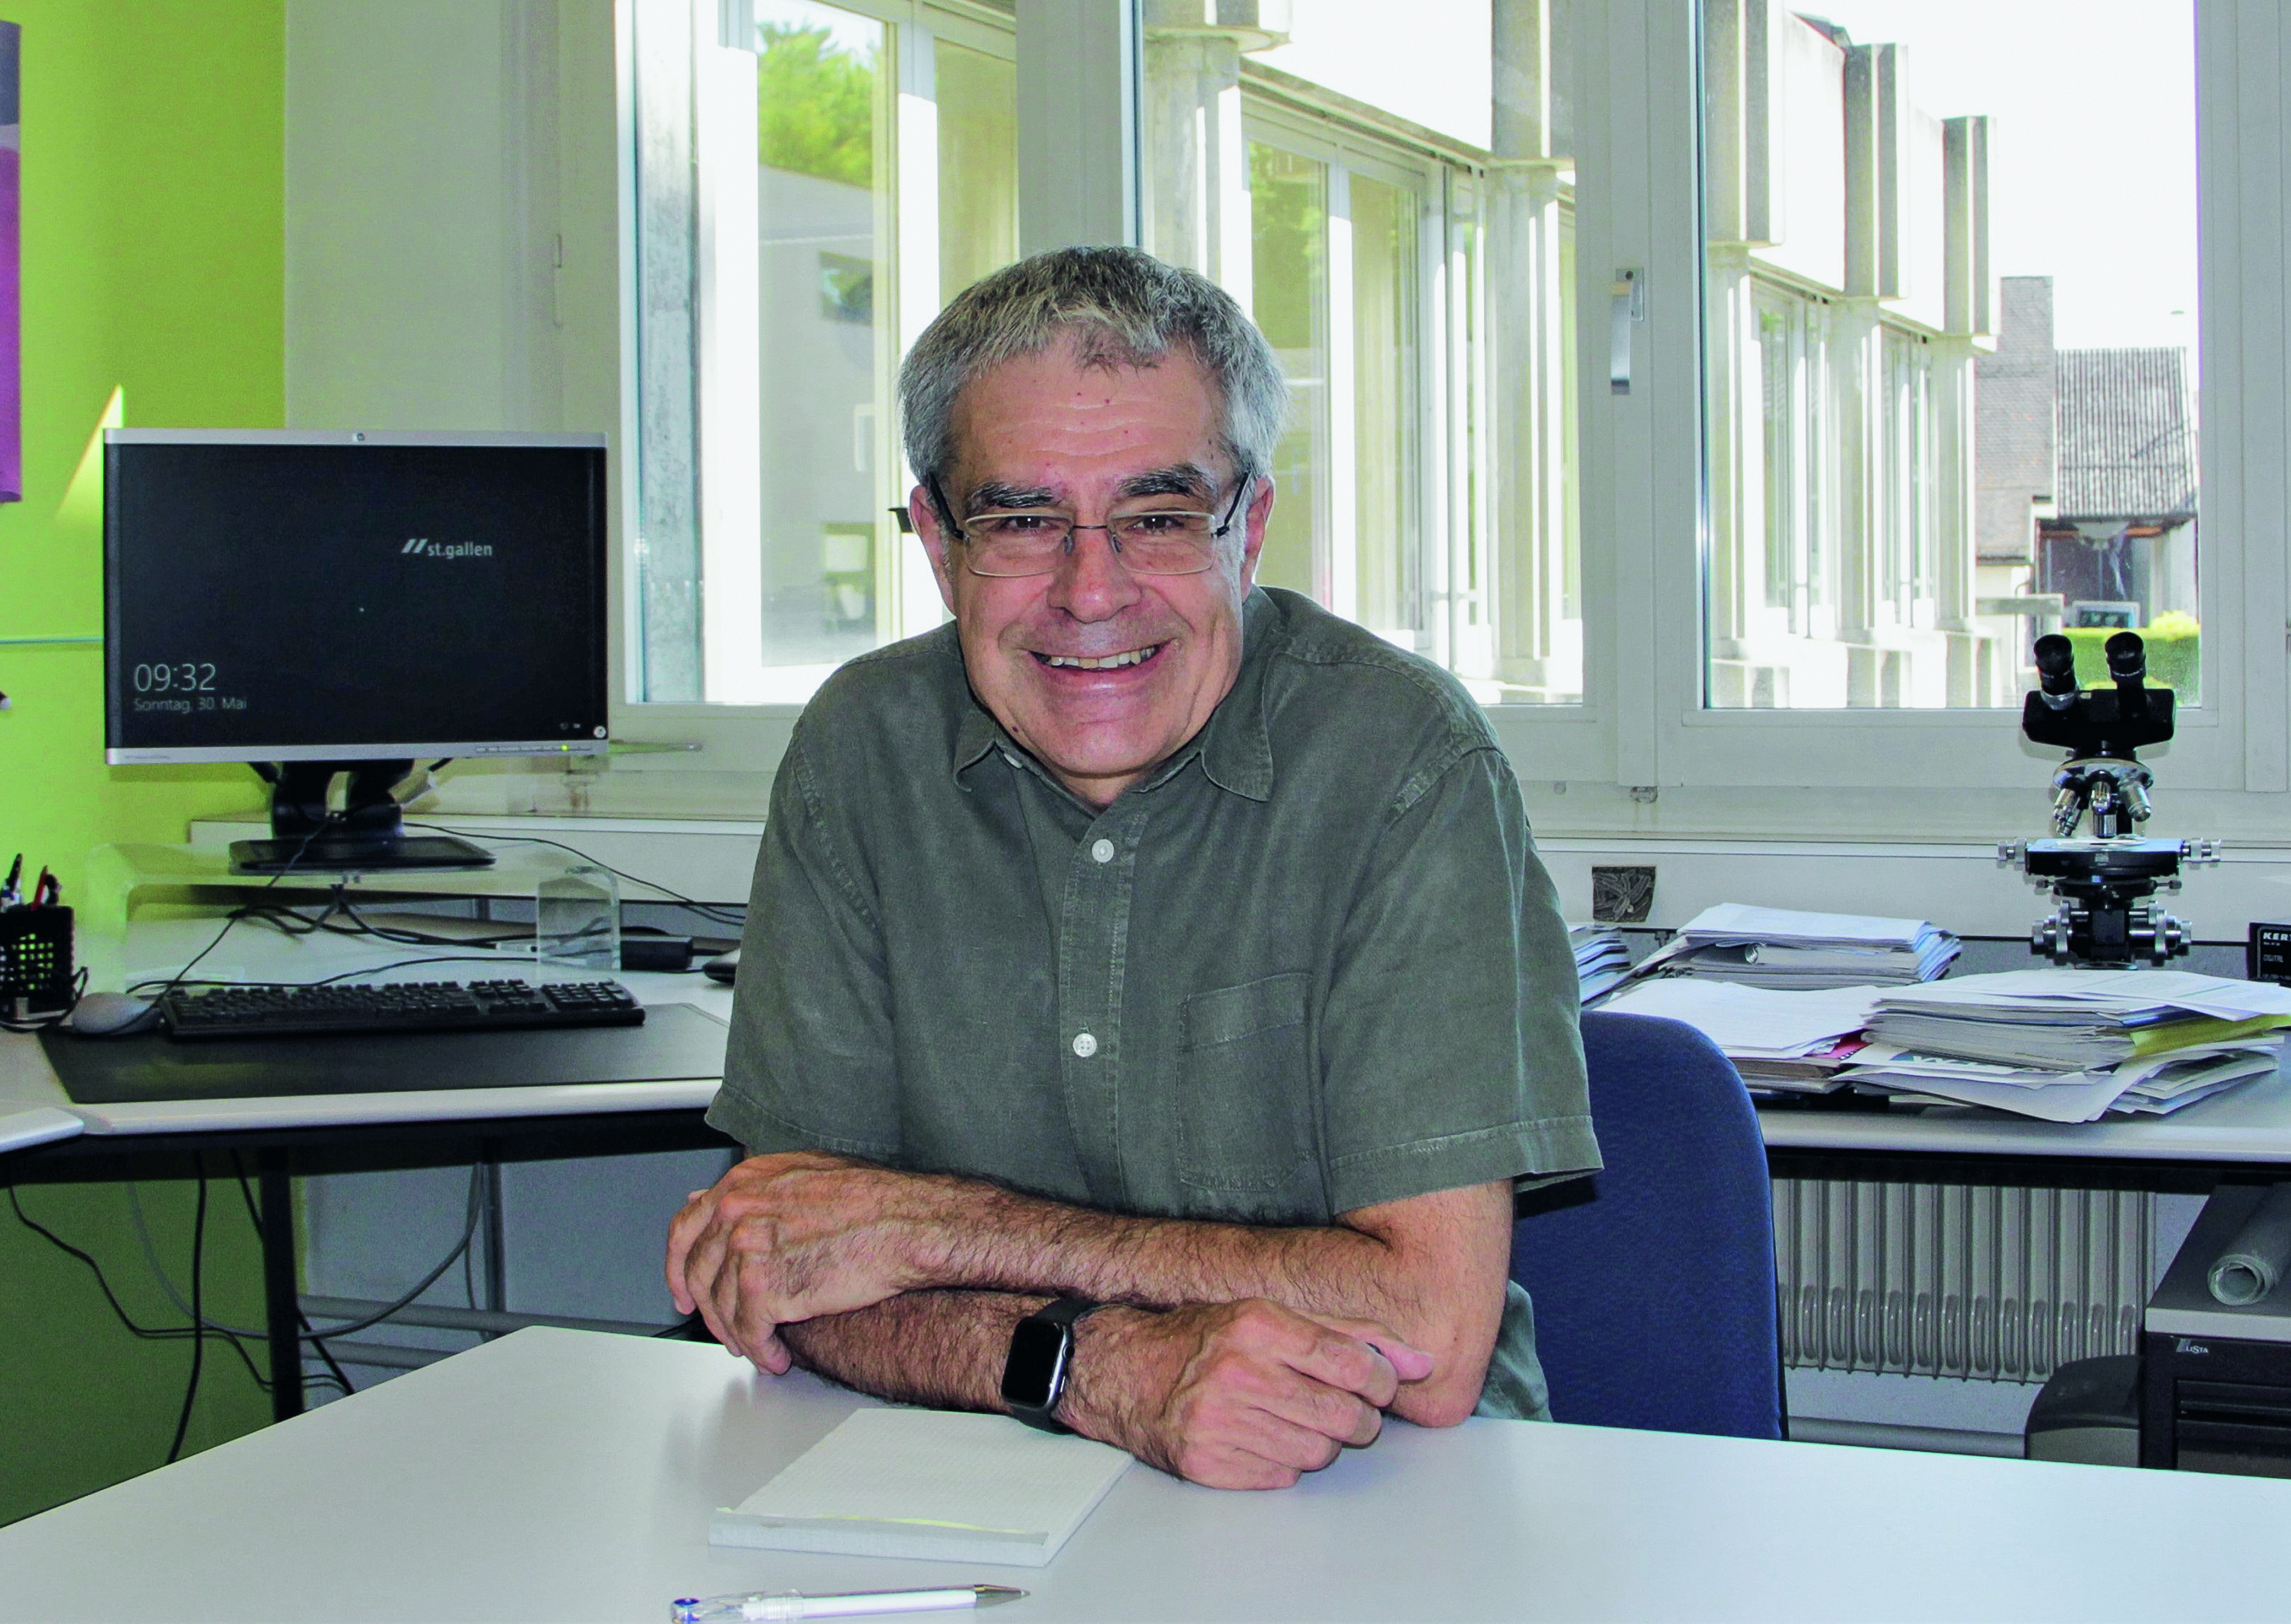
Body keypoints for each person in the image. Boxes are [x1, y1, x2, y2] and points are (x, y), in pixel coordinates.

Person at [666, 246, 1597, 1492]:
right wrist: (1096, 1368)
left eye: (1158, 518)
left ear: (1248, 529)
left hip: (1371, 1498)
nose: (1091, 592)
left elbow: (1425, 1335)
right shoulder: (859, 749)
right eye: (1022, 521)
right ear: (937, 542)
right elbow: (784, 1268)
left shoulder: (1403, 762)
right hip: (964, 1482)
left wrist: (934, 1231)